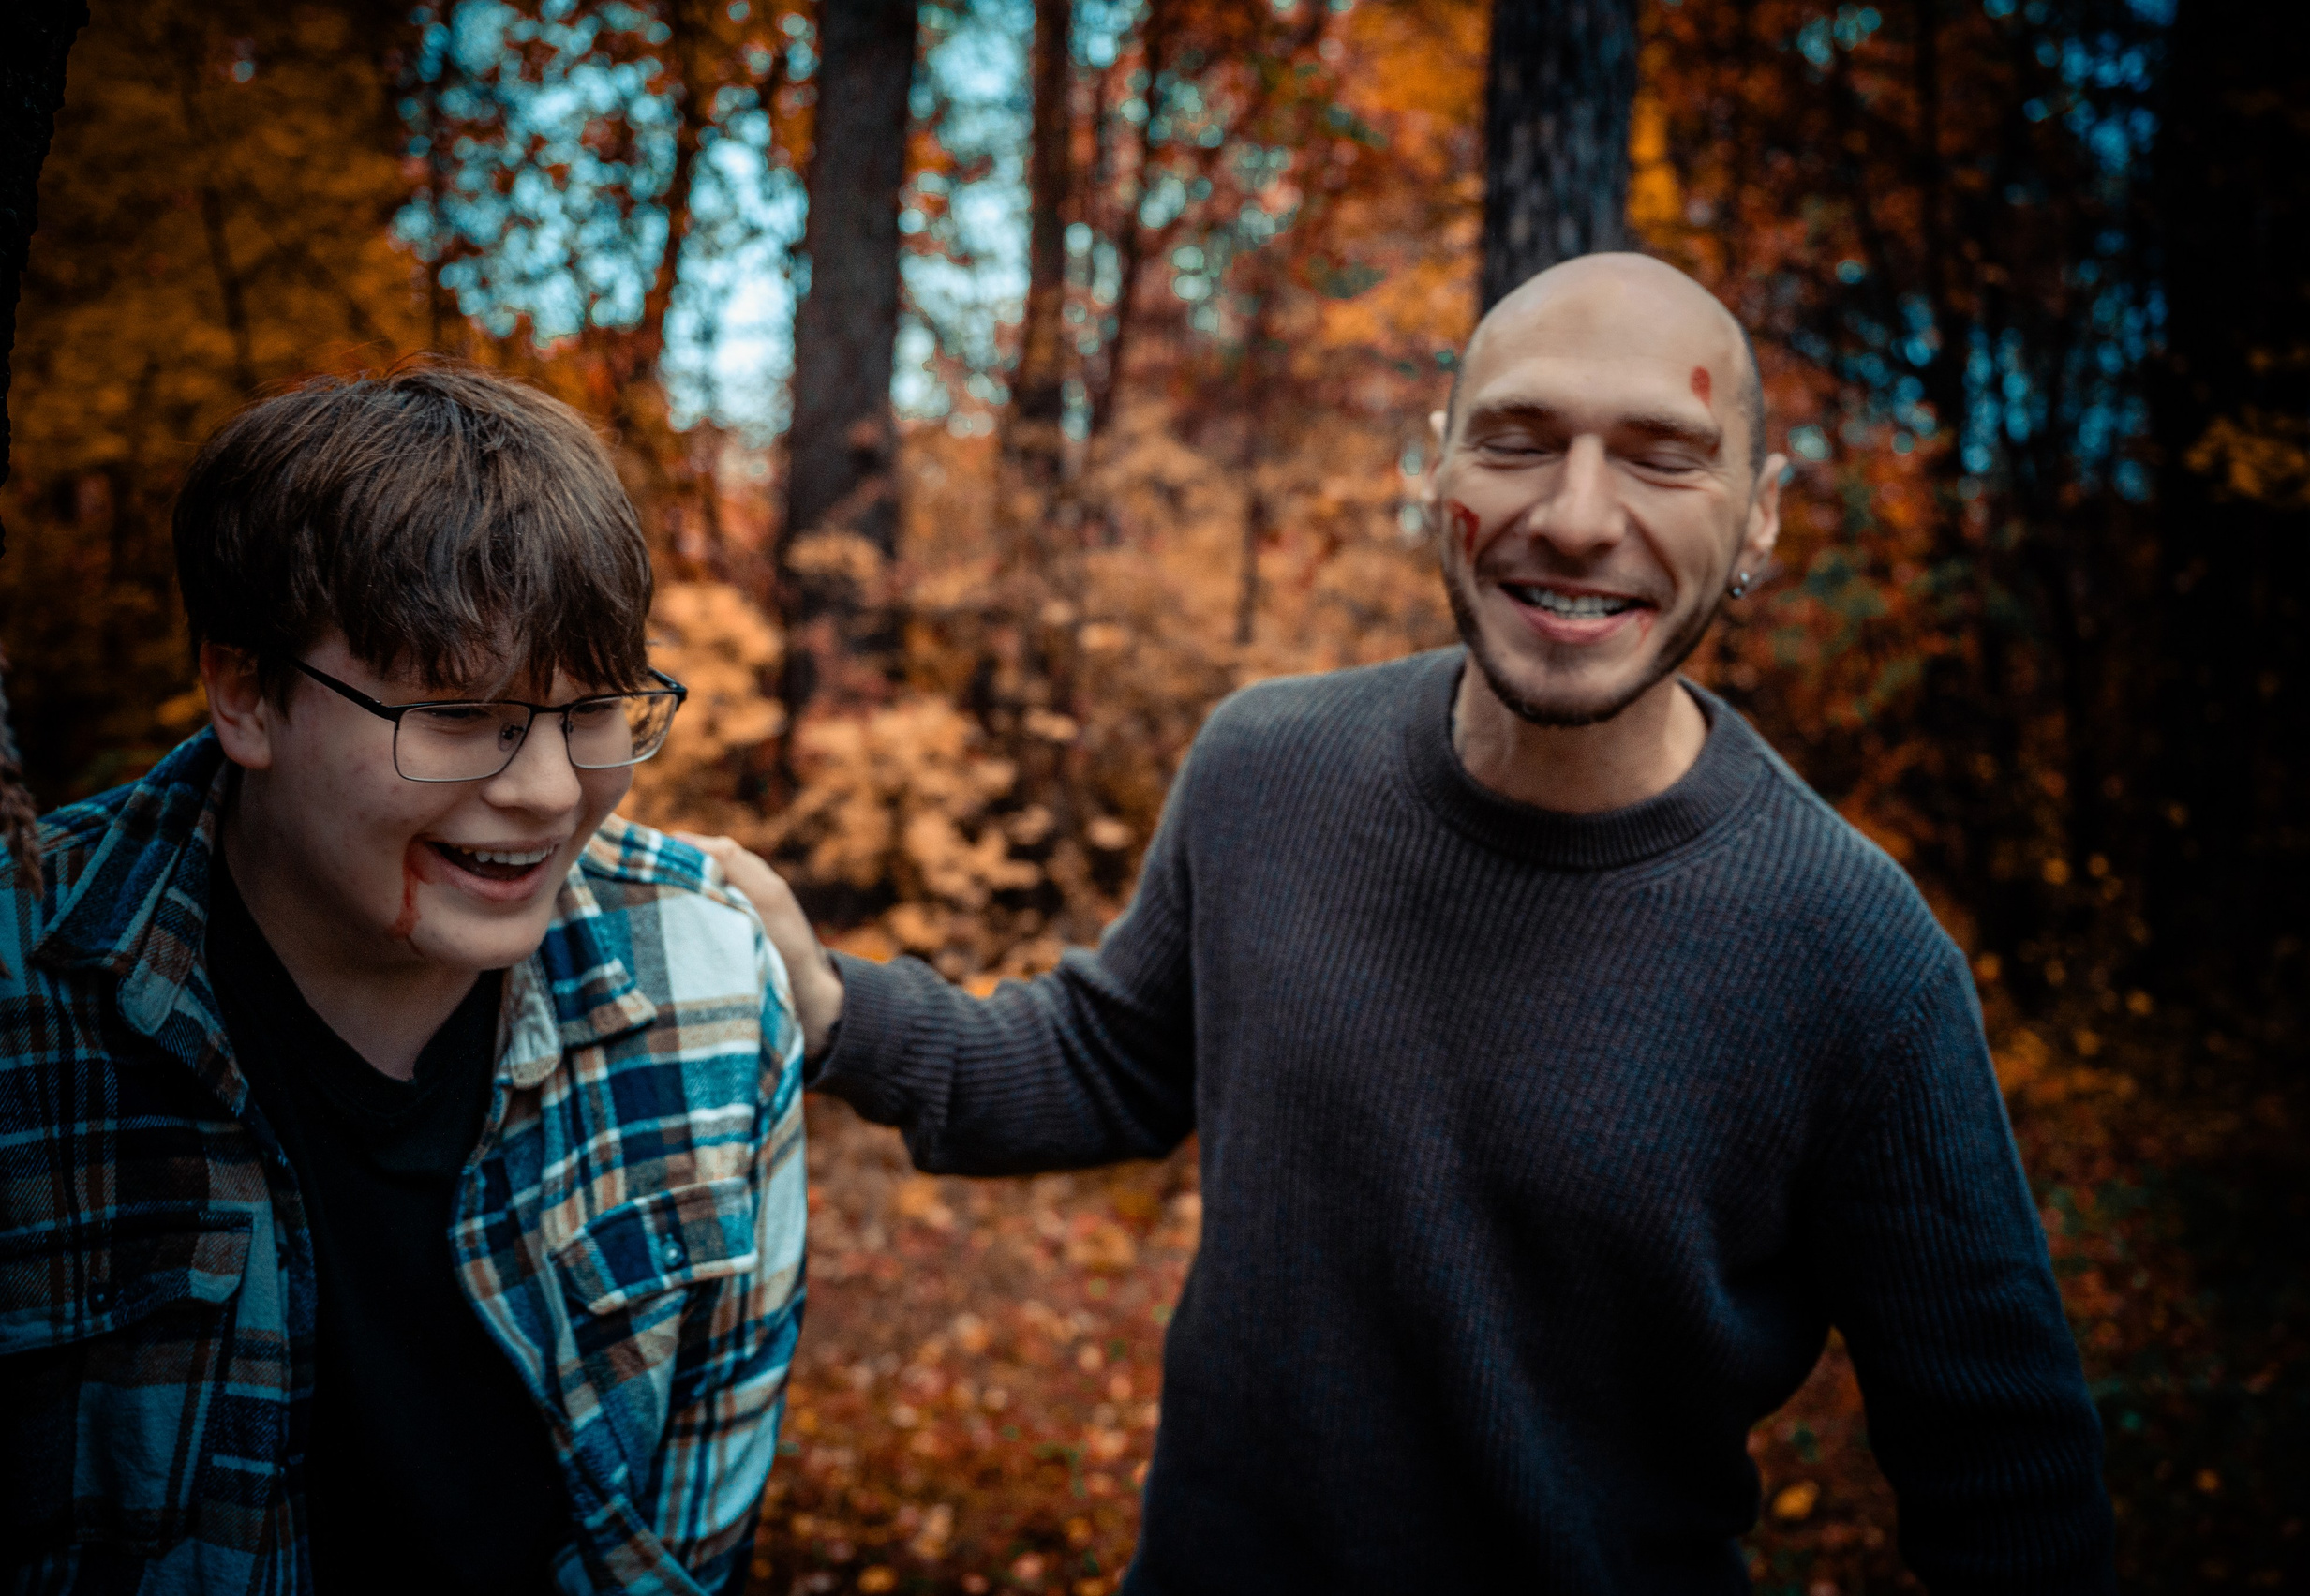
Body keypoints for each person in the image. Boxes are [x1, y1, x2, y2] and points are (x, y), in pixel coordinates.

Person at [708, 253, 2115, 1591]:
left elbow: (2005, 1480)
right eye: (1514, 441)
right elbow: (1106, 1057)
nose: (1573, 514)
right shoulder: (1263, 767)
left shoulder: (1854, 953)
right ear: (1429, 470)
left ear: (1758, 517)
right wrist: (834, 1008)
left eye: (1660, 455)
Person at [0, 365, 809, 1595]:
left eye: (593, 709)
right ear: (244, 689)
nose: (546, 791)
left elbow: (690, 1544)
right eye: (456, 714)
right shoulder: (24, 990)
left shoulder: (705, 986)